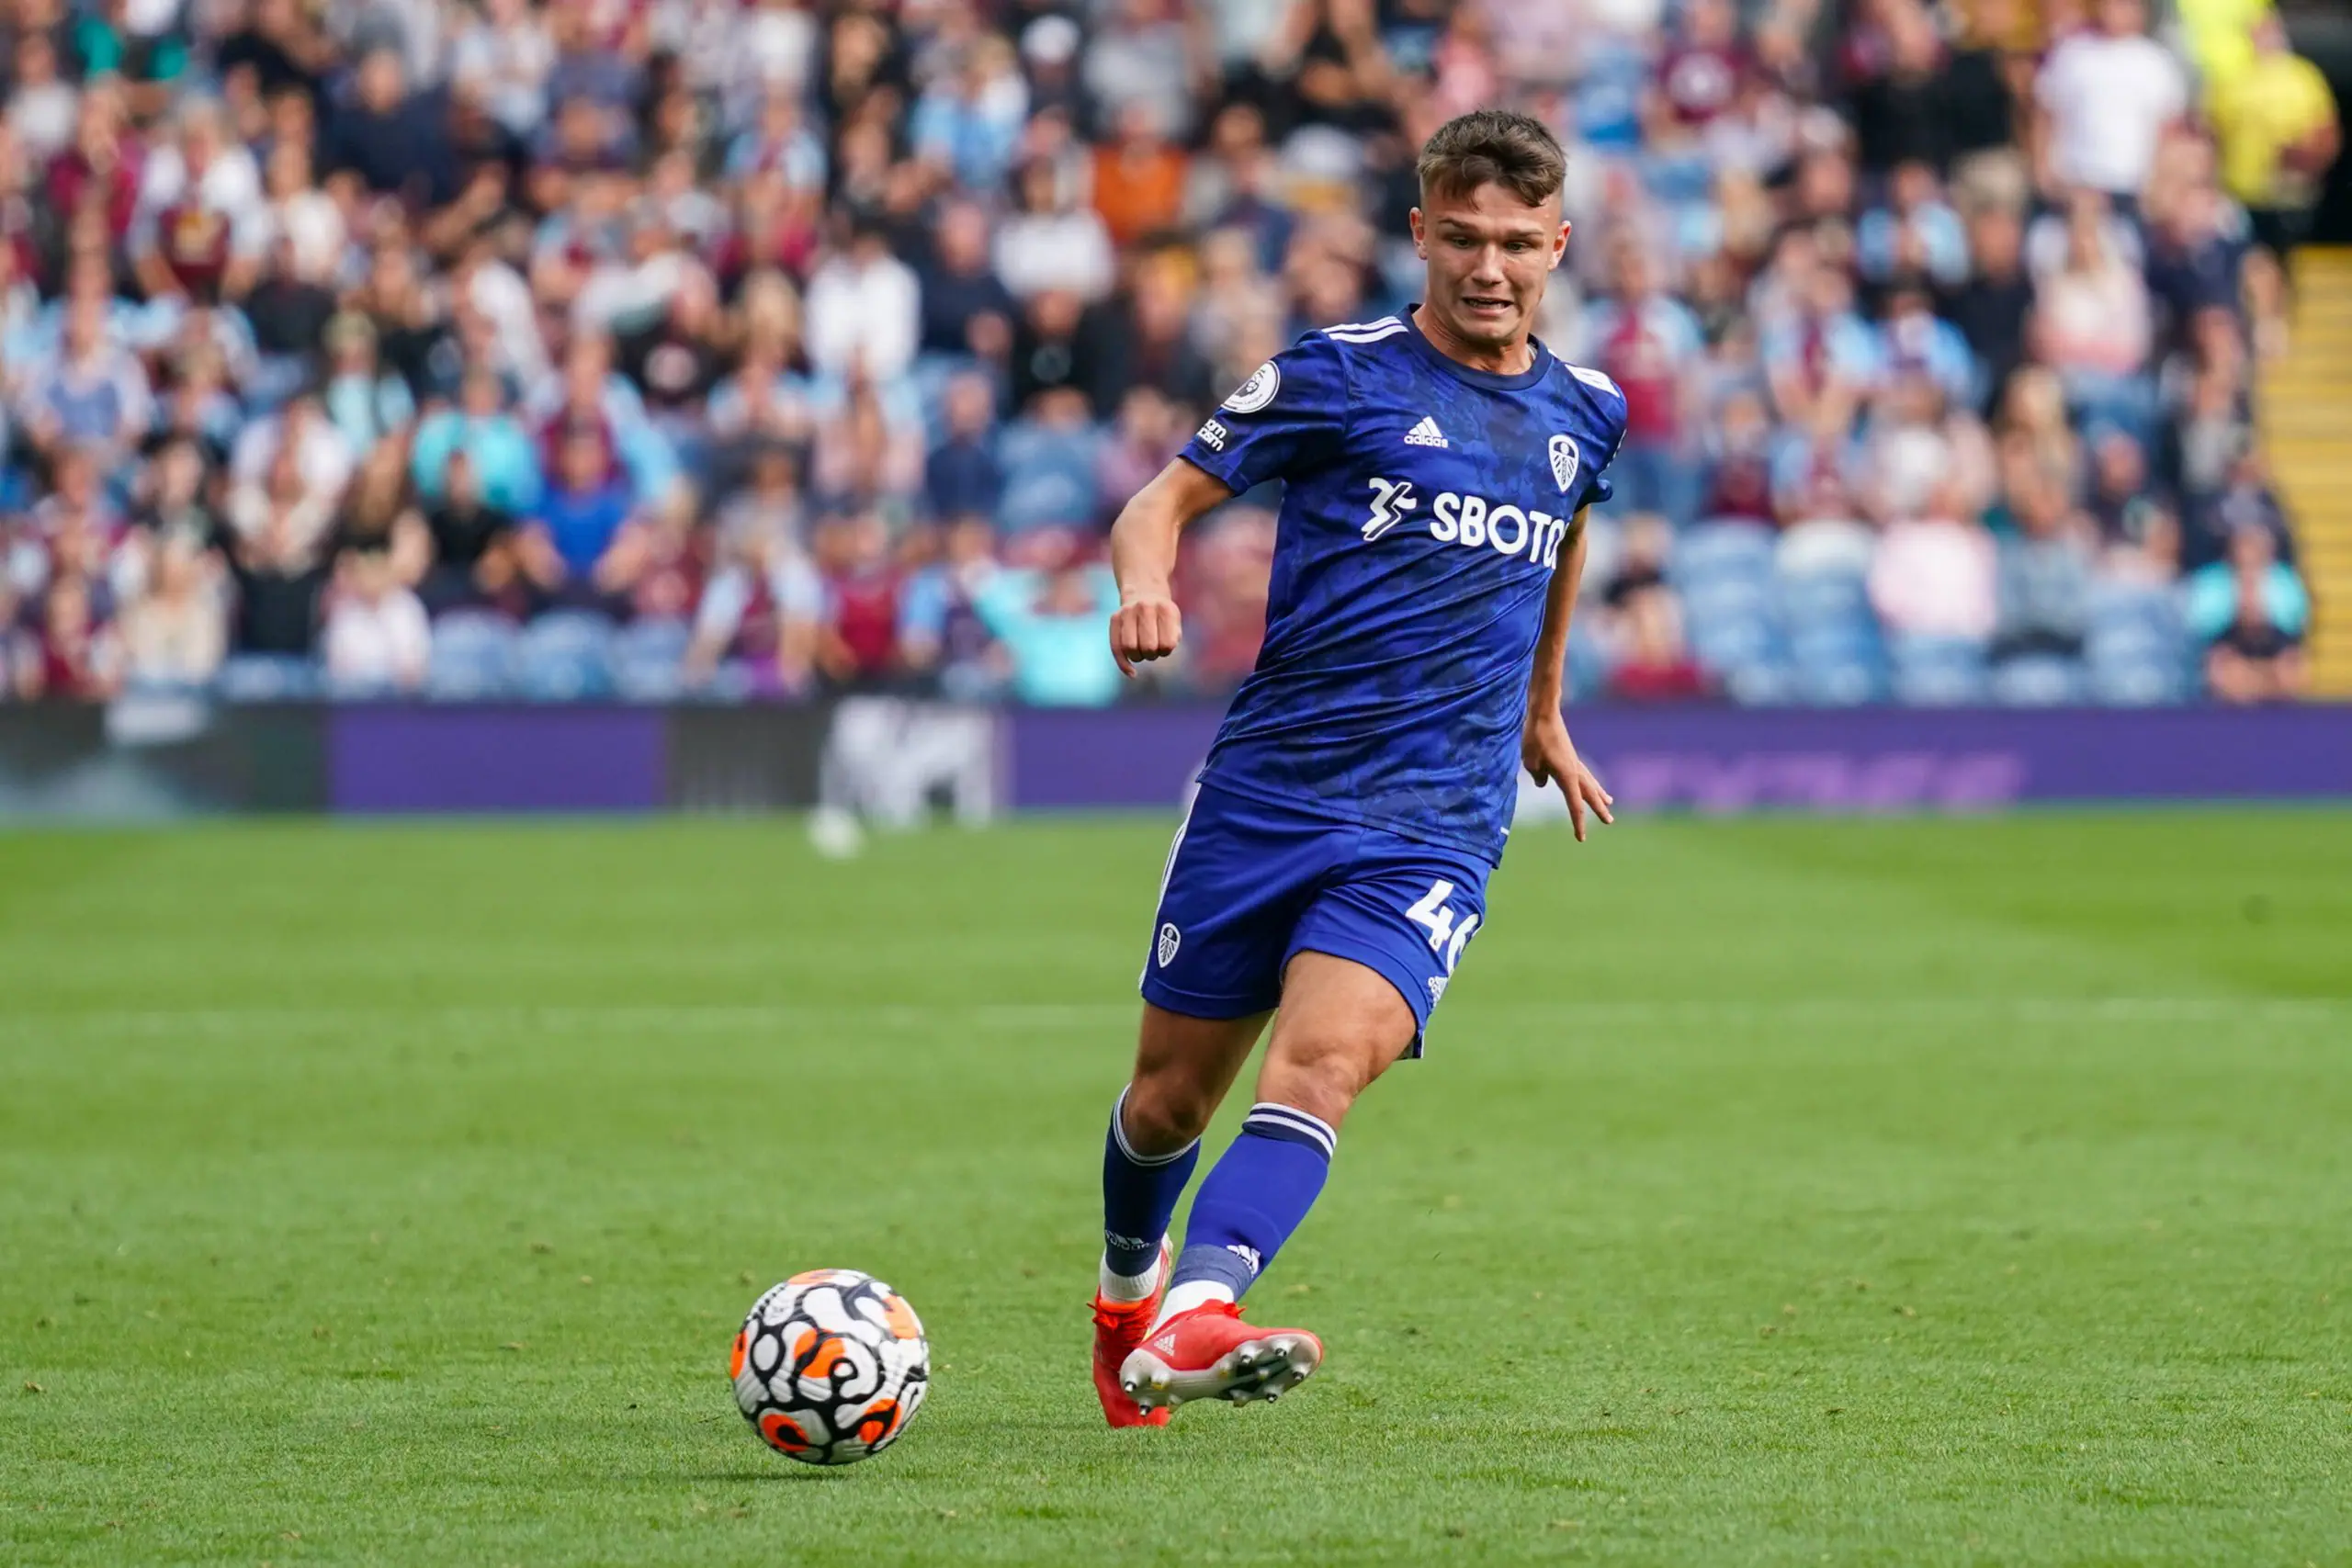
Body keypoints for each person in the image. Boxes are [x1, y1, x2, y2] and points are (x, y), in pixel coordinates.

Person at [1087, 110, 1623, 1424]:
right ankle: (1127, 1296)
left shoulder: (1588, 411)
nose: (1489, 267)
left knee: (1324, 1062)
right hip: (1271, 794)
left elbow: (1563, 537)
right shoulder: (1338, 375)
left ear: (1557, 246)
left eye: (1517, 244)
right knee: (1167, 1103)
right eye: (1464, 238)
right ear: (1421, 232)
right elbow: (1158, 503)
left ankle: (1202, 1307)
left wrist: (1543, 710)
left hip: (1436, 820)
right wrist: (1146, 587)